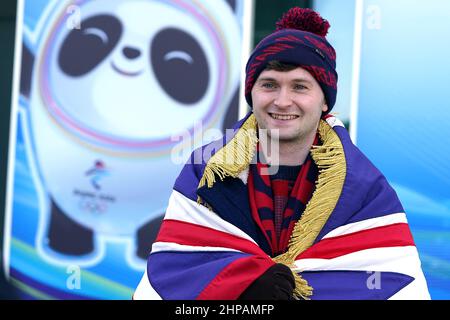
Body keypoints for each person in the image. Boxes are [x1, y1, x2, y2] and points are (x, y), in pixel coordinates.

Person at [133, 7, 430, 300]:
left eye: (300, 87)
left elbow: (395, 284)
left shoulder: (364, 187)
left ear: (325, 101)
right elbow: (177, 269)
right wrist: (241, 285)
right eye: (269, 85)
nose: (282, 101)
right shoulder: (206, 170)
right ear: (251, 93)